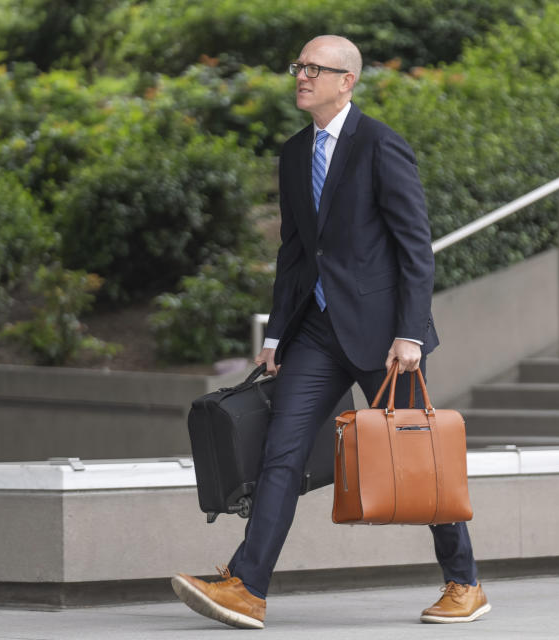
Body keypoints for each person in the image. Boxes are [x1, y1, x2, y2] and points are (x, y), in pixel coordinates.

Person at [171, 35, 490, 630]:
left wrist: (411, 335)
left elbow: (415, 249)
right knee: (281, 453)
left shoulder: (380, 145)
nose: (301, 76)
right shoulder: (295, 154)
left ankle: (464, 582)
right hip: (315, 334)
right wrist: (276, 338)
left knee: (418, 455)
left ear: (347, 81)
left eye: (315, 69)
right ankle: (248, 586)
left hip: (385, 339)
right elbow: (295, 254)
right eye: (298, 67)